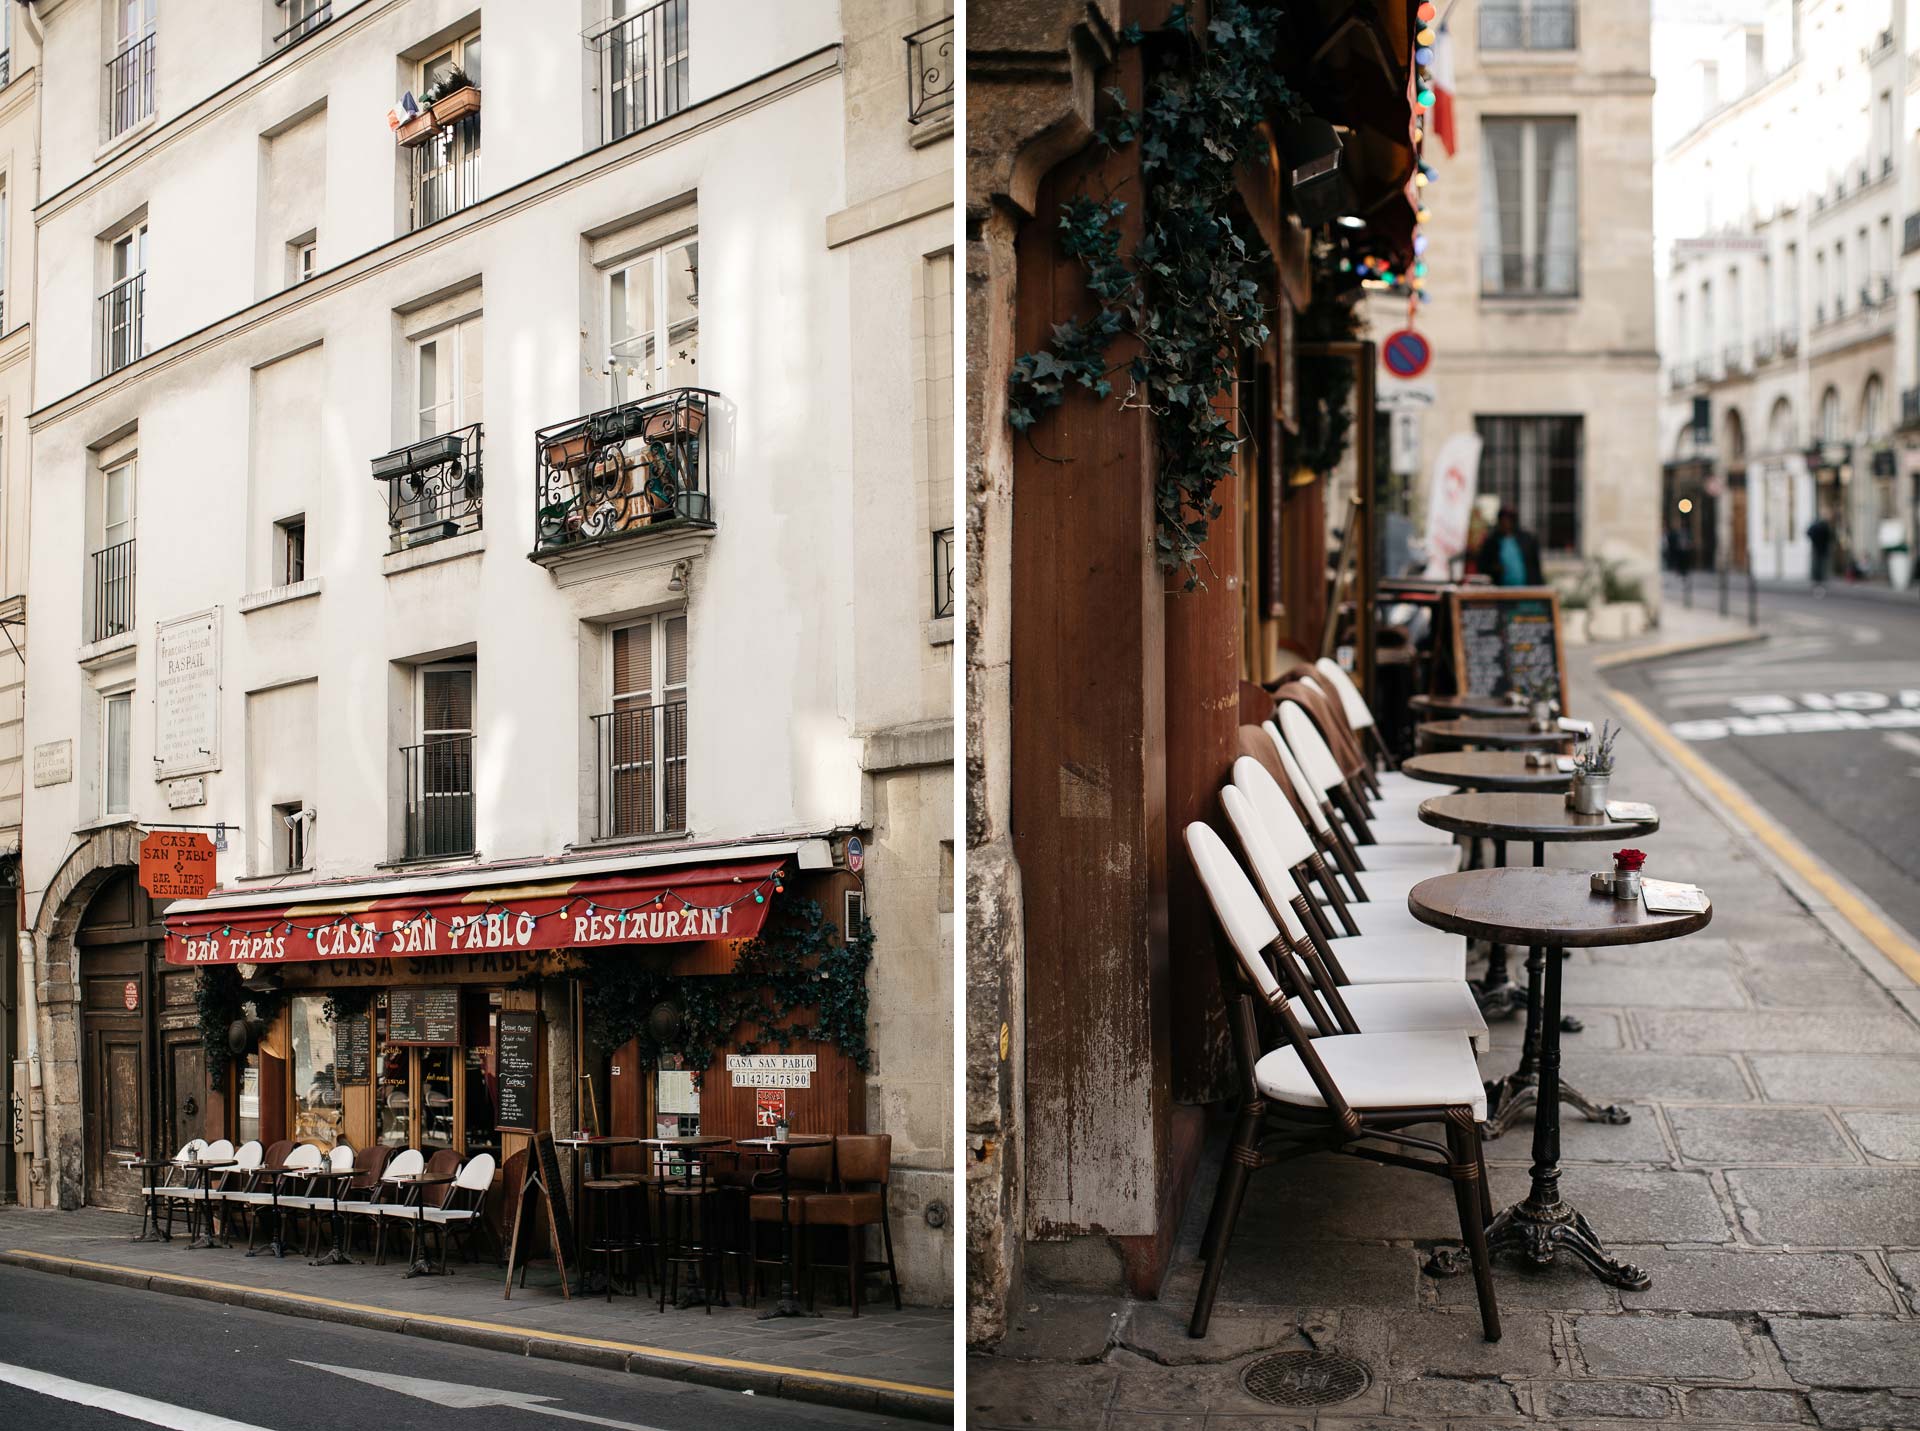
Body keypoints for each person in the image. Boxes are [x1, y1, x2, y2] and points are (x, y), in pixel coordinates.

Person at [1475, 506, 1543, 587]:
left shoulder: (1526, 539)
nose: (1506, 523)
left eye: (1508, 520)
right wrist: (1494, 568)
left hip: (1526, 589)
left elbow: (1535, 565)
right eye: (1503, 520)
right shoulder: (1492, 542)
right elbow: (1483, 565)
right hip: (1501, 590)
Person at [1807, 514, 1834, 593]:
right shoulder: (1824, 527)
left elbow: (1808, 533)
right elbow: (1830, 536)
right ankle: (1821, 579)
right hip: (1822, 548)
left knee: (1817, 564)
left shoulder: (1815, 527)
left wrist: (1814, 540)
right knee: (1821, 564)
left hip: (1817, 548)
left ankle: (1817, 579)